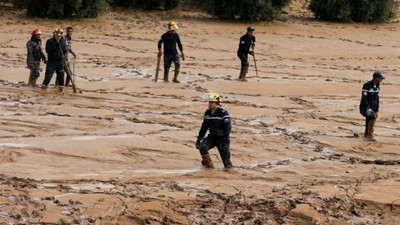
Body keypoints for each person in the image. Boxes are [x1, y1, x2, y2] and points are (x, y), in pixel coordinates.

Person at [196, 91, 233, 169]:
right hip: (212, 138)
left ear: (217, 103)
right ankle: (209, 166)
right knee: (203, 148)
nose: (209, 104)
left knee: (227, 164)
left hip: (222, 139)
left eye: (212, 102)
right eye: (209, 102)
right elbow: (204, 127)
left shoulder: (223, 113)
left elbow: (228, 128)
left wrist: (224, 141)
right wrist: (199, 138)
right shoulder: (207, 113)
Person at [359, 71, 385, 140]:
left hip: (374, 107)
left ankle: (367, 134)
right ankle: (369, 134)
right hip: (365, 107)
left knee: (374, 116)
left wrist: (377, 109)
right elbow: (364, 98)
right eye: (380, 78)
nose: (381, 80)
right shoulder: (366, 85)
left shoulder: (377, 86)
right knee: (371, 116)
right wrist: (368, 108)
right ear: (376, 78)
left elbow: (377, 98)